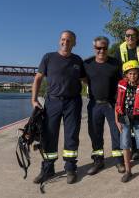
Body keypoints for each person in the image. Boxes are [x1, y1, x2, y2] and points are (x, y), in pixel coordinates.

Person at [31, 30, 85, 184]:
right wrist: (34, 99)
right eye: (63, 39)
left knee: (71, 135)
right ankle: (48, 170)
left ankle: (70, 169)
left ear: (74, 43)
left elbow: (86, 80)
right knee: (49, 136)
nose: (65, 42)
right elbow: (38, 78)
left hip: (73, 103)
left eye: (69, 40)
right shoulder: (48, 57)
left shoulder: (77, 60)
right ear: (59, 41)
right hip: (52, 102)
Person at [84, 36, 125, 175]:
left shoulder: (115, 63)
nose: (101, 50)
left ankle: (119, 160)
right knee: (95, 134)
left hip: (111, 104)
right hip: (94, 104)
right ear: (94, 48)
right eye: (98, 48)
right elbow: (83, 79)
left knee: (117, 132)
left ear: (108, 48)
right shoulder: (87, 64)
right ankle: (98, 161)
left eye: (104, 48)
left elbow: (122, 83)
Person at [114, 27, 139, 160]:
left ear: (137, 37)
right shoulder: (120, 50)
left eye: (133, 35)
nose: (130, 38)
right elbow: (118, 69)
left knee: (138, 116)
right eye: (127, 35)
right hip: (126, 86)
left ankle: (137, 149)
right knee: (127, 118)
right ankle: (131, 150)